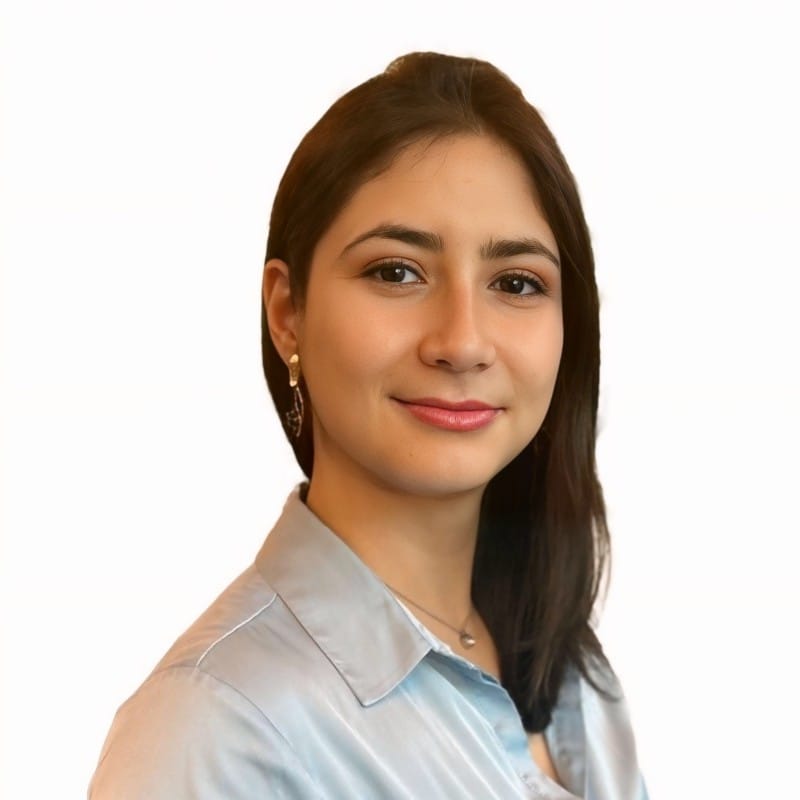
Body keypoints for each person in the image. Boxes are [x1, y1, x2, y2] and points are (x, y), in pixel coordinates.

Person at [89, 52, 648, 799]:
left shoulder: (577, 675)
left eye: (516, 283)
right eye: (396, 272)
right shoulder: (215, 725)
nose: (463, 342)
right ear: (288, 311)